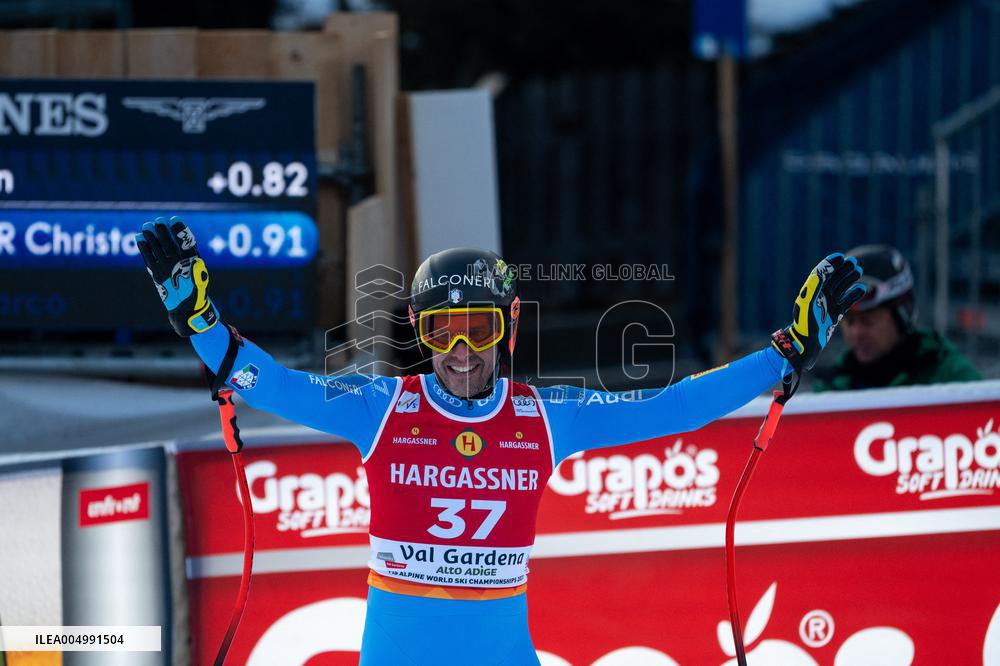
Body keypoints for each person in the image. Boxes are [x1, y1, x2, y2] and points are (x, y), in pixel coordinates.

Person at [135, 217, 866, 665]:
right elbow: (265, 381)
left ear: (507, 328)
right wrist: (201, 319)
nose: (460, 352)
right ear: (419, 336)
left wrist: (789, 350)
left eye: (478, 328)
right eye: (439, 332)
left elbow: (671, 409)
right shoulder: (380, 408)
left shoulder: (546, 417)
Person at [813, 244, 979, 392]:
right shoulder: (833, 388)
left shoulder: (951, 378)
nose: (857, 333)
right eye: (849, 322)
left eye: (868, 321)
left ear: (902, 315)